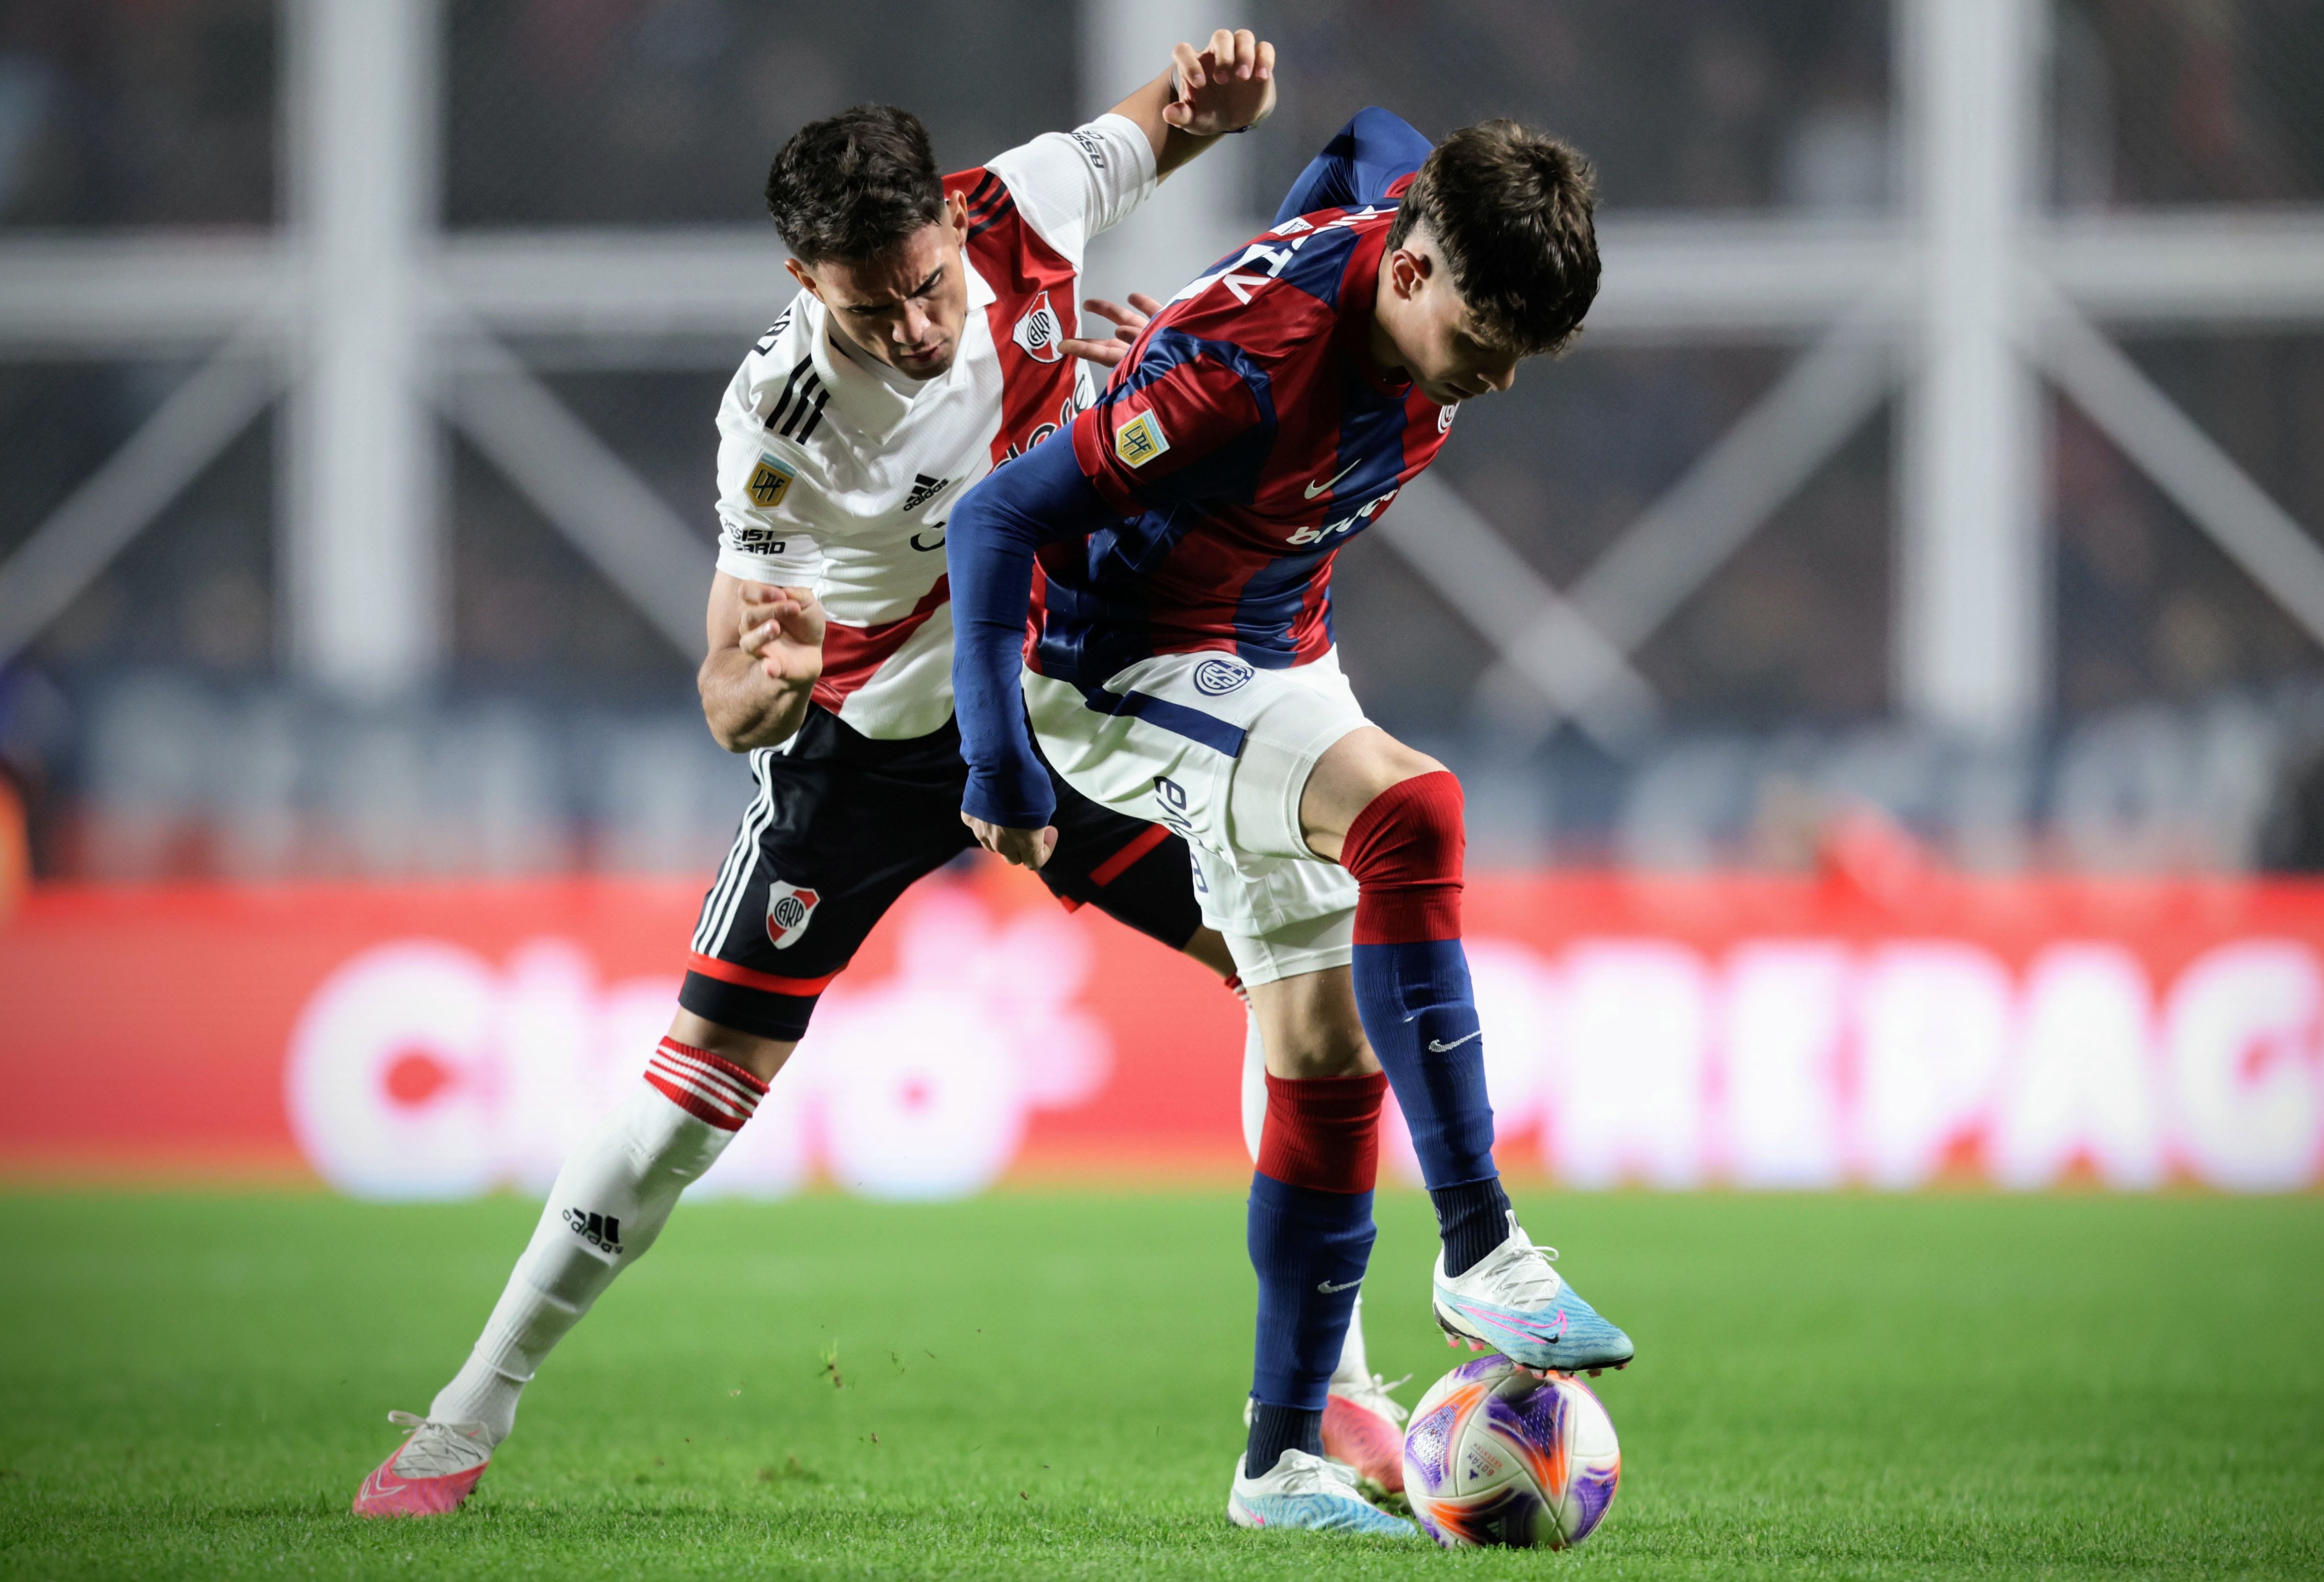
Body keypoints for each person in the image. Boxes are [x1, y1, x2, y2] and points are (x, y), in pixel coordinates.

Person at [349, 29, 1398, 1518]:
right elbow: (726, 684)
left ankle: (1331, 1398)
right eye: (872, 306)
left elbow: (1165, 120)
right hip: (875, 752)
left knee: (1290, 970)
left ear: (951, 227)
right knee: (694, 1102)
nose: (916, 325)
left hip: (1058, 705)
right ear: (804, 288)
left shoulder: (1022, 206)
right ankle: (464, 1418)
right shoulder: (775, 431)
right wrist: (759, 686)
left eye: (928, 286)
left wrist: (1223, 96)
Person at [945, 107, 1636, 1535]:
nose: (1492, 382)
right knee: (1411, 816)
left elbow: (1369, 137)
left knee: (1319, 1045)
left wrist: (1221, 277)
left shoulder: (1401, 220)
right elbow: (991, 522)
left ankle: (1277, 1467)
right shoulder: (1236, 380)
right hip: (1119, 667)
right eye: (1482, 345)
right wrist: (1001, 768)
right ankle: (1479, 1245)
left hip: (1271, 647)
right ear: (1410, 272)